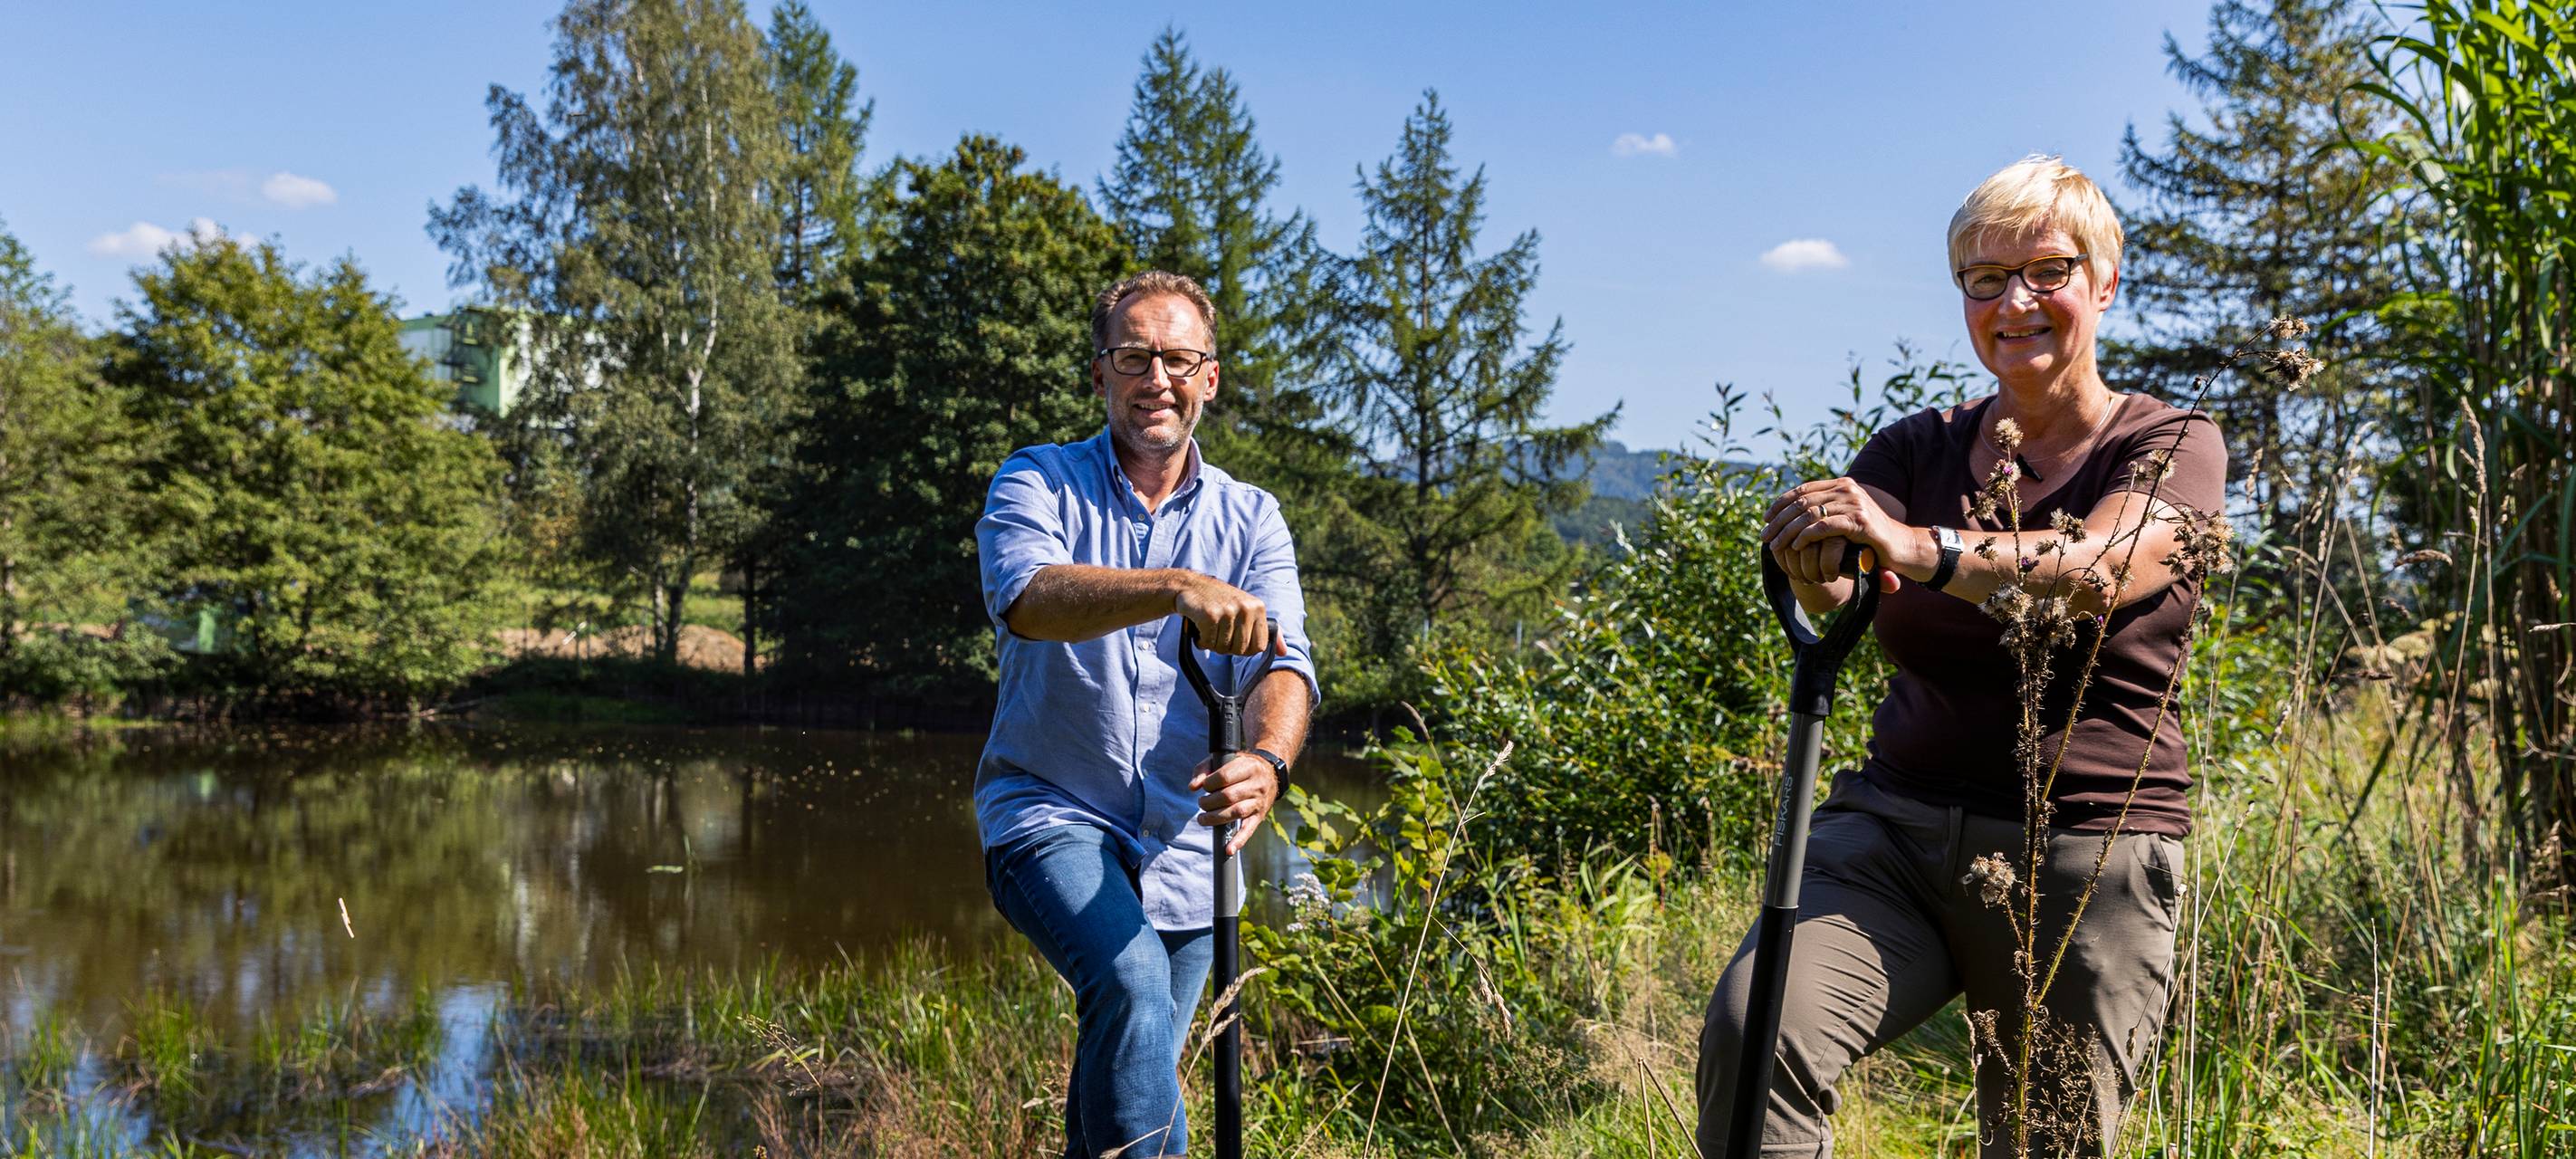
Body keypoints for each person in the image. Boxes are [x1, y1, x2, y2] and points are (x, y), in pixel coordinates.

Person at [1695, 157, 2226, 1156]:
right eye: (1984, 279)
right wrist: (1818, 563)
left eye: (2047, 270)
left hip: (2085, 846)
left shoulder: (2169, 439)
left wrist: (1920, 547)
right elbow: (1851, 587)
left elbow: (2098, 568)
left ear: (2104, 283)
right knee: (1753, 1031)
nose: (2013, 300)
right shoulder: (1915, 447)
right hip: (1892, 829)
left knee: (2044, 1139)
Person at [975, 270, 1319, 1159]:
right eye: (1133, 356)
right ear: (1100, 375)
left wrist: (1269, 762)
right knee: (1127, 982)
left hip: (1188, 843)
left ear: (1209, 377)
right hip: (1048, 809)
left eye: (1177, 357)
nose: (1155, 375)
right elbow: (1028, 597)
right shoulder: (1037, 482)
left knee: (1127, 1080)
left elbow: (1286, 663)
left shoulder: (1253, 519)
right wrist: (1175, 586)